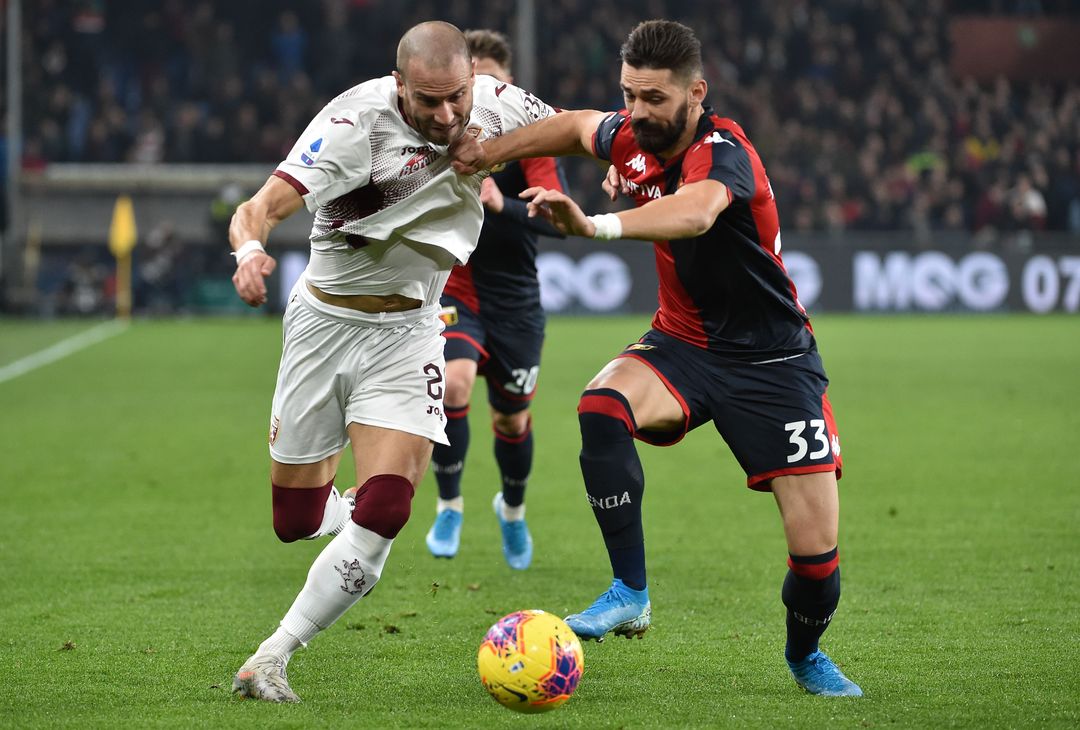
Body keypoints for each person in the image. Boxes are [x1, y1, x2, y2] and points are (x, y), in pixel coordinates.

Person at [452, 20, 862, 697]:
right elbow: (574, 126)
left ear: (695, 93)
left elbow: (697, 213)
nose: (637, 112)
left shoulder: (723, 151)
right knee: (600, 406)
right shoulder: (630, 136)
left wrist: (596, 225)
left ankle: (805, 653)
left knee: (816, 562)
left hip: (775, 364)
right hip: (685, 343)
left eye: (653, 99)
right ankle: (630, 591)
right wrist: (487, 151)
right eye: (630, 95)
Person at [227, 21, 557, 703]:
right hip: (323, 325)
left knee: (389, 506)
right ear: (398, 84)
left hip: (409, 331)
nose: (447, 115)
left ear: (473, 80)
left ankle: (272, 656)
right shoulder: (351, 124)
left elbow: (581, 126)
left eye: (456, 98)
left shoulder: (494, 103)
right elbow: (258, 207)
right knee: (294, 521)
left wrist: (617, 156)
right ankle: (339, 508)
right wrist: (249, 251)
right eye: (429, 101)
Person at [425, 29, 569, 570]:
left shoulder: (532, 135)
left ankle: (511, 510)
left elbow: (556, 221)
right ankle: (449, 506)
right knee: (453, 383)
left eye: (493, 81)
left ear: (510, 85)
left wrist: (500, 202)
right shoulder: (442, 134)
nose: (483, 92)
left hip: (516, 304)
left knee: (511, 421)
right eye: (473, 82)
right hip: (457, 290)